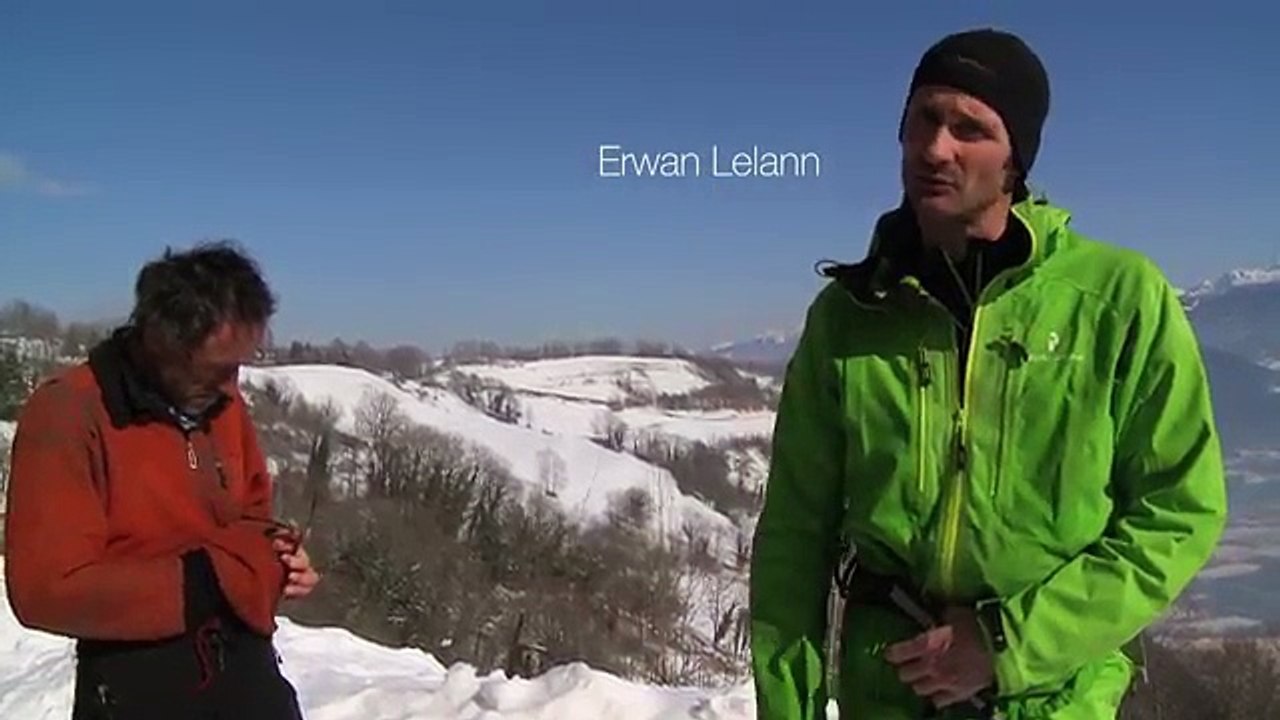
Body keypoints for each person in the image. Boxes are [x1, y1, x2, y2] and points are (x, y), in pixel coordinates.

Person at [749, 28, 1228, 719]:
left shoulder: (1117, 301)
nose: (935, 148)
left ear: (1015, 160)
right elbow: (796, 533)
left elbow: (1180, 510)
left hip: (1054, 696)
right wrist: (786, 706)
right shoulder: (851, 315)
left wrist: (1006, 644)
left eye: (970, 128)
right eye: (924, 118)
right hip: (886, 691)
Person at [4, 241, 321, 719]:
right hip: (138, 681)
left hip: (243, 664)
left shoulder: (220, 402)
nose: (232, 387)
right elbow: (45, 591)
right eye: (216, 369)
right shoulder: (70, 413)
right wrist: (210, 581)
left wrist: (277, 557)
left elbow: (252, 514)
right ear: (161, 343)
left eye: (239, 366)